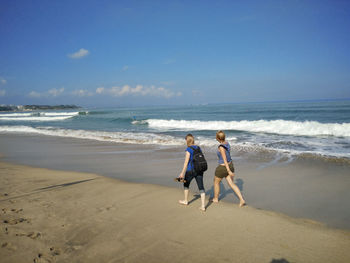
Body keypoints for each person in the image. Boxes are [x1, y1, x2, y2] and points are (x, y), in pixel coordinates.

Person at [212, 130, 246, 207]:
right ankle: (241, 199)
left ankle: (216, 198)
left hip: (223, 167)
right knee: (231, 184)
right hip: (231, 165)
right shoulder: (227, 144)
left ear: (218, 138)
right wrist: (230, 169)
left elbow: (224, 159)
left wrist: (228, 171)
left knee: (216, 182)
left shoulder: (221, 147)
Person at [178, 134, 206, 211]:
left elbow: (186, 162)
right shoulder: (198, 148)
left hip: (190, 170)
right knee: (201, 187)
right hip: (199, 170)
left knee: (186, 184)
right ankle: (203, 206)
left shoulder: (188, 149)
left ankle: (186, 201)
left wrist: (182, 173)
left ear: (187, 140)